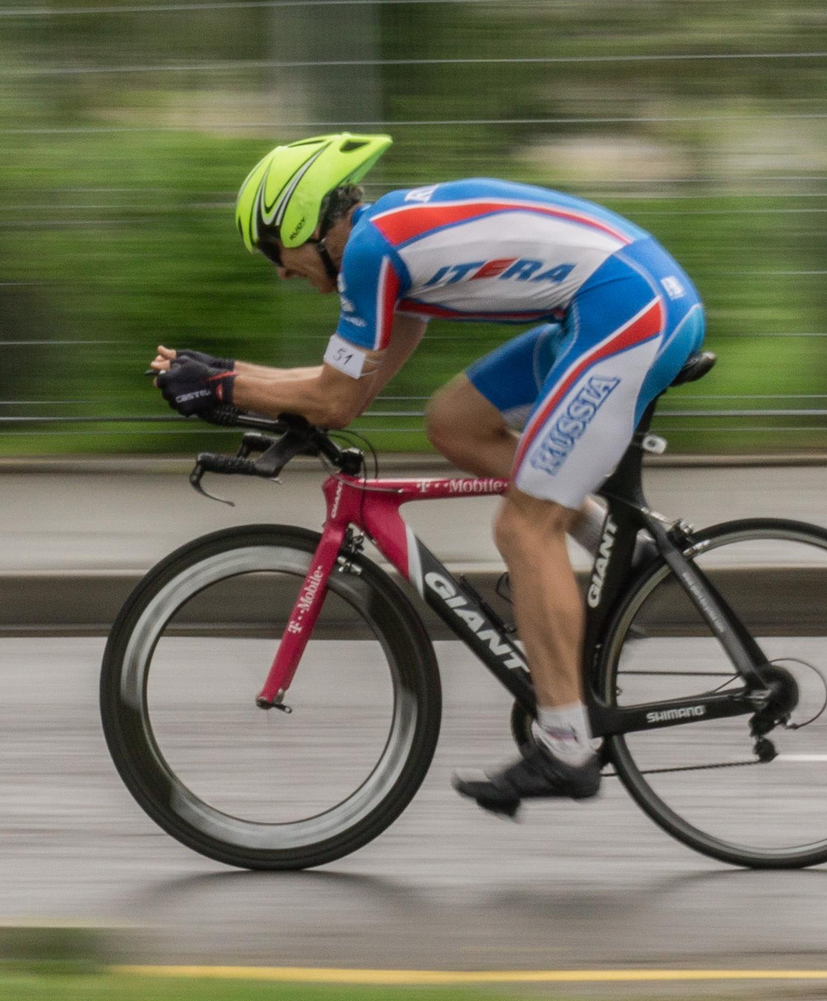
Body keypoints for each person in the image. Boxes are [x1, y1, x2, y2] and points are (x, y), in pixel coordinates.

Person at [148, 132, 706, 819]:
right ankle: (615, 542)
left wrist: (225, 383)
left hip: (630, 313)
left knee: (525, 529)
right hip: (620, 299)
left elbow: (330, 398)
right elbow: (351, 392)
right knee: (452, 422)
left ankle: (566, 747)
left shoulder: (371, 256)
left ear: (302, 225)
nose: (281, 273)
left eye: (275, 253)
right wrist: (233, 380)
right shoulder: (388, 252)